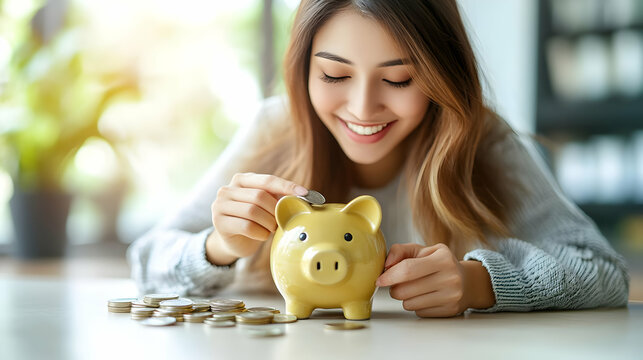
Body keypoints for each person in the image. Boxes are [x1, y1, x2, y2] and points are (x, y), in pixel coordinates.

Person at [127, 0, 629, 317]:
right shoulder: (273, 129)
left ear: (440, 77)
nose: (363, 109)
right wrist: (219, 245)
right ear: (303, 71)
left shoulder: (481, 142)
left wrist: (481, 283)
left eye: (398, 80)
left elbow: (603, 269)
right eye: (334, 75)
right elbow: (147, 260)